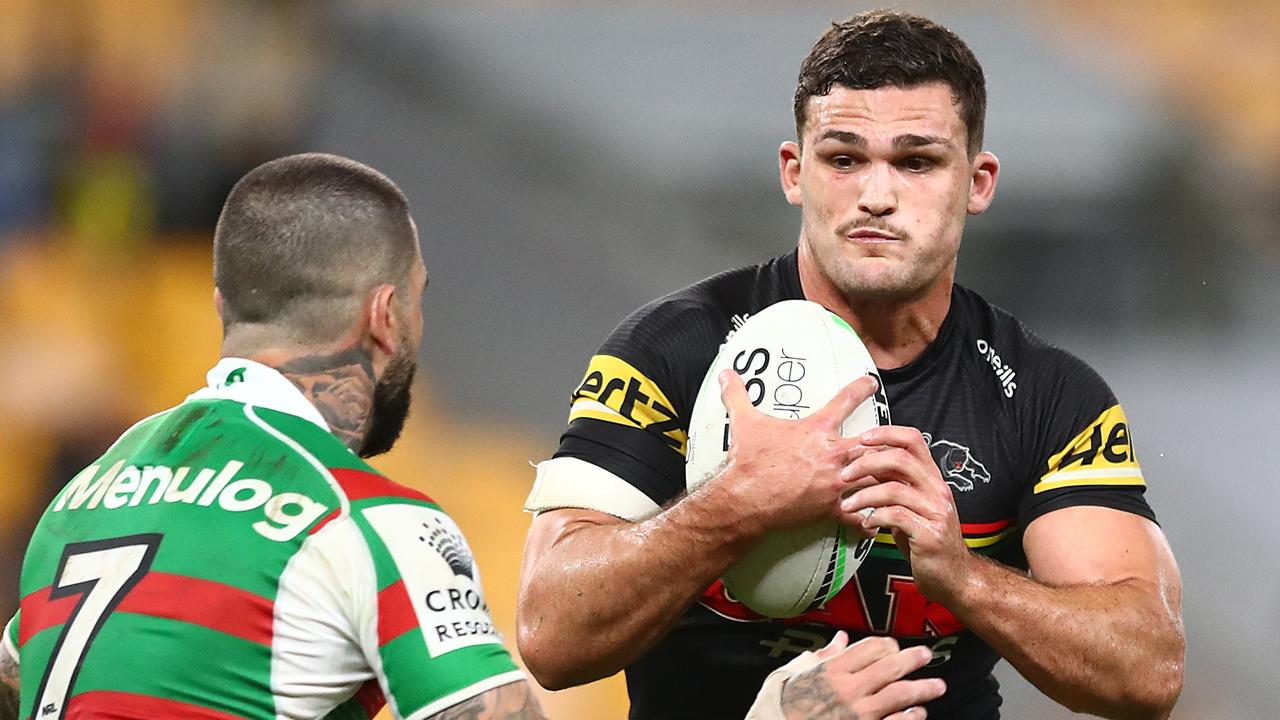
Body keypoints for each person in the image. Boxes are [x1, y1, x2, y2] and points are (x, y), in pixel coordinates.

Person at [0, 153, 944, 720]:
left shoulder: (79, 503)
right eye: (416, 306)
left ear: (222, 307)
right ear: (383, 316)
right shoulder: (365, 527)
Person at [517, 10, 1185, 720]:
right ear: (794, 172)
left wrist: (961, 577)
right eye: (844, 158)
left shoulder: (1048, 397)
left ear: (979, 182)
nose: (876, 196)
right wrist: (736, 503)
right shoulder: (672, 348)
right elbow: (550, 635)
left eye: (916, 161)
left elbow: (1148, 670)